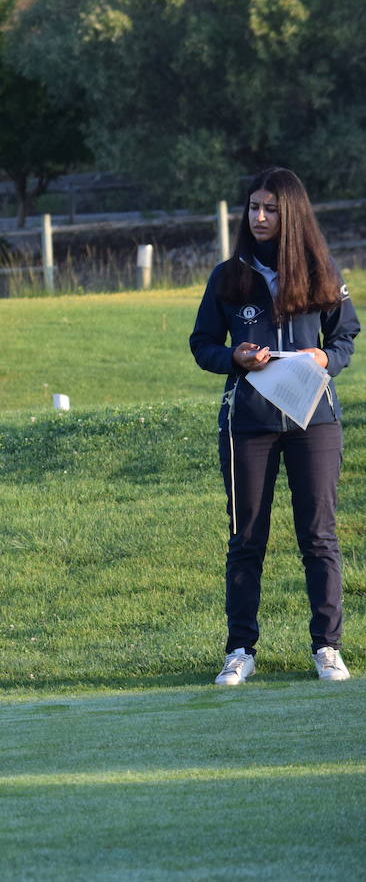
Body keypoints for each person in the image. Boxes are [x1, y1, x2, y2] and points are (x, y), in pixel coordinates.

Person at [190, 166, 358, 686]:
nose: (259, 217)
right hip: (248, 424)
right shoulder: (228, 275)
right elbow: (202, 345)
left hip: (315, 420)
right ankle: (240, 649)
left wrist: (322, 359)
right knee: (246, 539)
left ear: (292, 214)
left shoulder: (322, 269)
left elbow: (346, 338)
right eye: (253, 207)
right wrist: (234, 358)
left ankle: (327, 648)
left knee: (319, 537)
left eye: (270, 208)